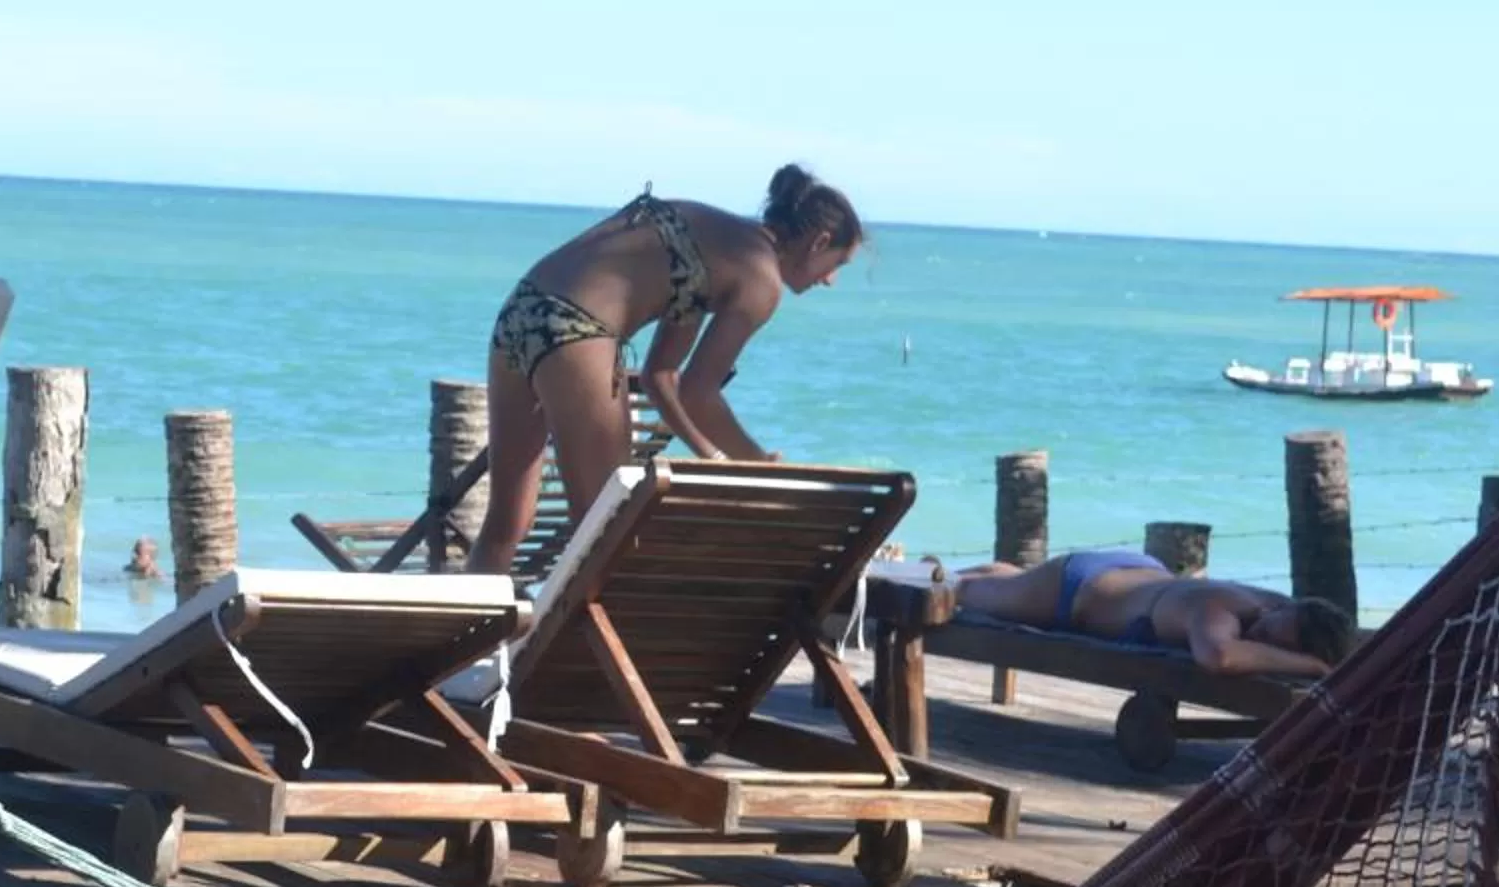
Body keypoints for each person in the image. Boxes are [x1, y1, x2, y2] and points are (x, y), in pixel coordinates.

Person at [469, 163, 864, 575]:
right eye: (838, 263)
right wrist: (763, 464)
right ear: (819, 242)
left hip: (521, 309)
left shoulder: (715, 236)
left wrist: (711, 454)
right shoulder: (761, 276)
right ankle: (584, 639)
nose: (831, 280)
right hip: (578, 330)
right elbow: (700, 392)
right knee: (608, 529)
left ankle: (471, 639)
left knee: (505, 525)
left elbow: (663, 378)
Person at [949, 547, 1352, 677]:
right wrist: (1311, 666)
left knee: (1007, 584)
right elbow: (1218, 655)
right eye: (1265, 636)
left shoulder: (1277, 603)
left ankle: (972, 570)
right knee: (961, 592)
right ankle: (902, 573)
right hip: (1077, 591)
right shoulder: (1221, 613)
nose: (1257, 636)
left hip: (1134, 577)